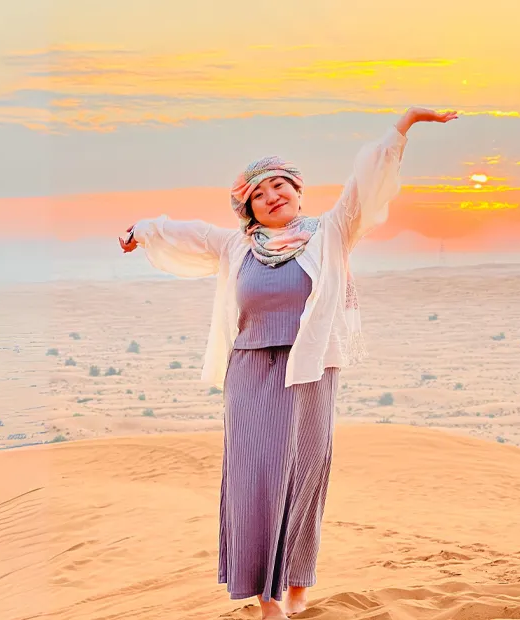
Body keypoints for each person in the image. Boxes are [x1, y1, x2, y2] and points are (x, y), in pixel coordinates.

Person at [119, 106, 457, 619]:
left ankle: (298, 581)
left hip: (311, 373)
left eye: (280, 186)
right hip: (250, 373)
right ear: (248, 207)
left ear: (298, 191)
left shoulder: (332, 231)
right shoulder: (238, 245)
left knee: (303, 475)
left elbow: (366, 185)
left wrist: (404, 125)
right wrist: (141, 230)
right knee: (254, 477)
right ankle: (266, 596)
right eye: (259, 192)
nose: (272, 196)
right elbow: (184, 232)